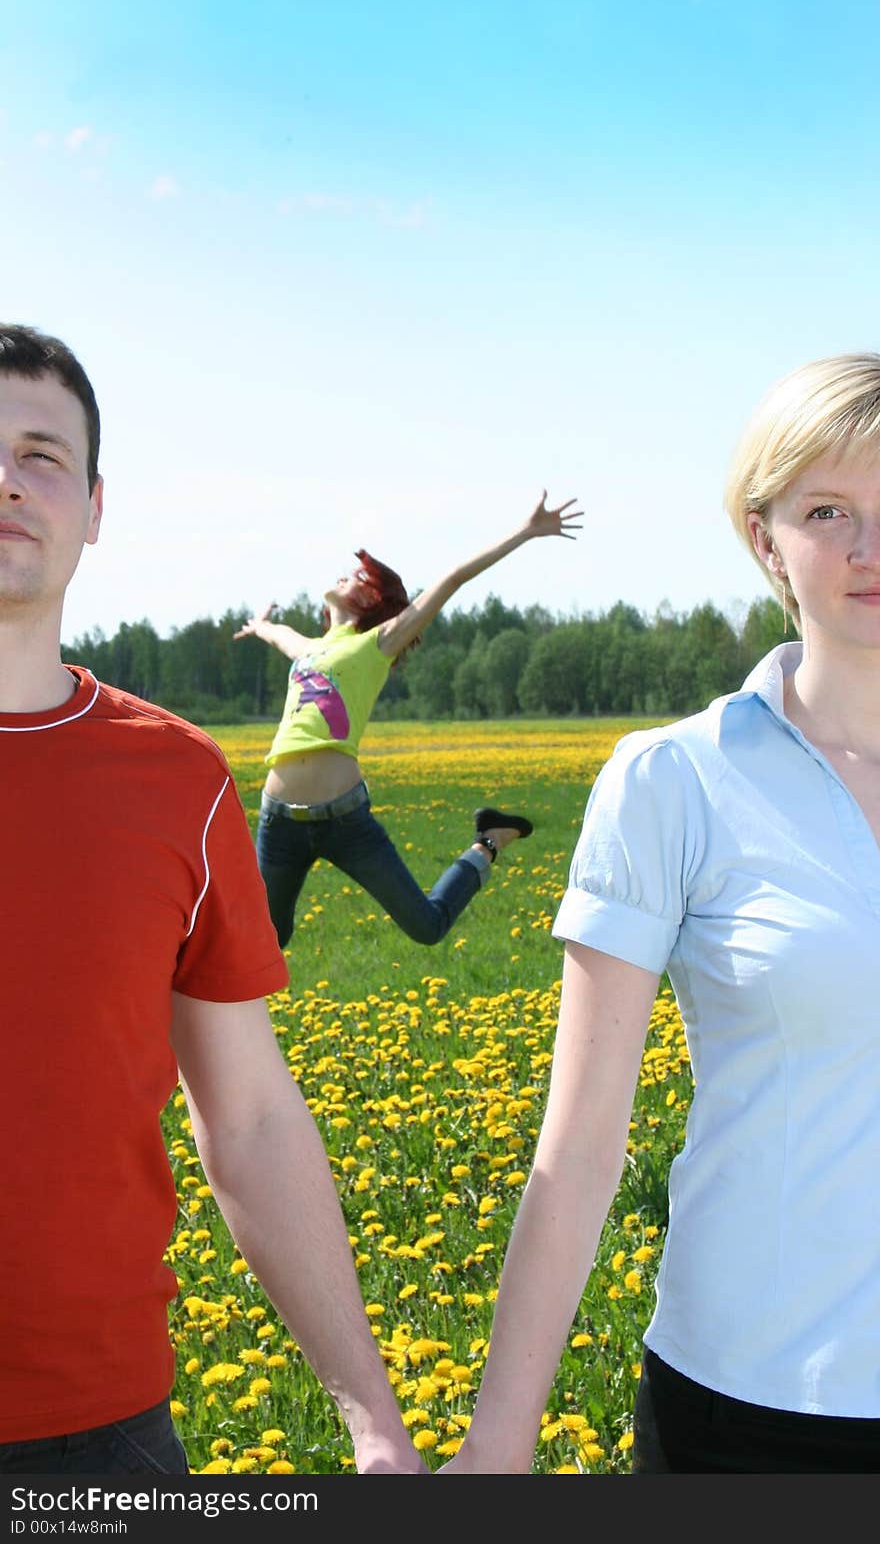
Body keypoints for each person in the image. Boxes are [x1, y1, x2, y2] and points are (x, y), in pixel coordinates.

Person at [439, 352, 880, 1475]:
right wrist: (496, 1446)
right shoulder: (675, 781)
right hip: (755, 1403)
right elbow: (582, 1147)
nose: (865, 547)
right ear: (762, 536)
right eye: (827, 509)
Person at [0, 323, 427, 1476]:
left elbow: (246, 1117)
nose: (6, 480)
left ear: (94, 506)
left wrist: (374, 1422)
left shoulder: (178, 780)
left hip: (97, 1435)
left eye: (41, 454)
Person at [234, 493, 582, 949]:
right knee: (265, 940)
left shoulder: (378, 643)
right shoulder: (311, 649)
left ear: (373, 603)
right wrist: (260, 625)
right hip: (279, 823)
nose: (346, 575)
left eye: (359, 578)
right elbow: (280, 636)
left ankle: (489, 841)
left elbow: (452, 578)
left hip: (344, 821)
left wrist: (526, 530)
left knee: (426, 926)